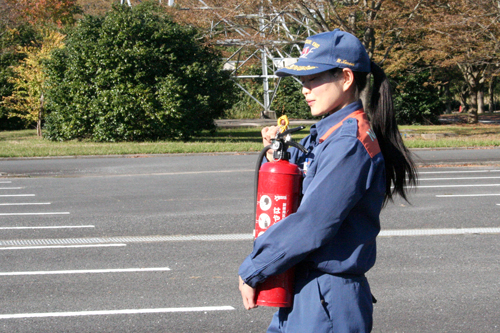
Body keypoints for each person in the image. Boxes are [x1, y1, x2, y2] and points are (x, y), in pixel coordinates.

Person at [238, 29, 417, 333]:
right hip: (303, 289)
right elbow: (306, 175)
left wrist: (253, 269)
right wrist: (278, 156)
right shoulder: (329, 132)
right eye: (303, 81)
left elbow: (313, 223)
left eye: (314, 79)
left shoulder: (349, 142)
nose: (305, 89)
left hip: (325, 297)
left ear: (346, 78)